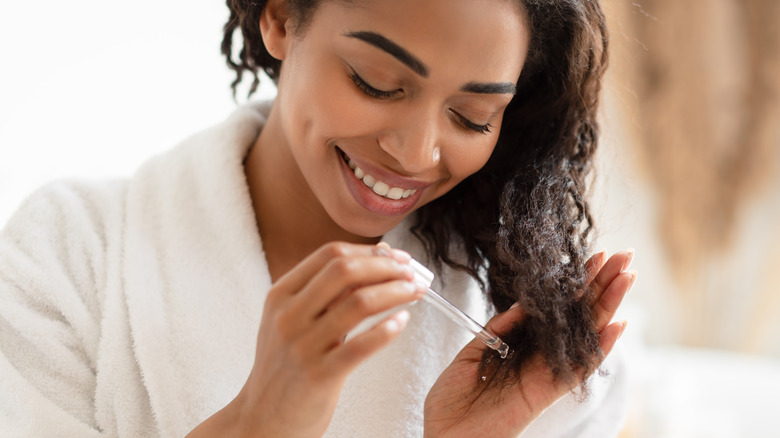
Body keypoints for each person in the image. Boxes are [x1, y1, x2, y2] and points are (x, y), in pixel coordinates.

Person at [0, 0, 636, 436]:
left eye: (472, 117)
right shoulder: (71, 253)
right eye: (376, 82)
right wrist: (256, 421)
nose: (416, 154)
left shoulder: (533, 332)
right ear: (280, 16)